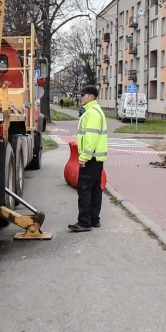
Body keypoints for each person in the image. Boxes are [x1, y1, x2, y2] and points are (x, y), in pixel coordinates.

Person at [69, 84, 107, 232]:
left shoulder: (92, 113)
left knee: (84, 189)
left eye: (83, 95)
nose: (81, 97)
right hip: (96, 159)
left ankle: (84, 222)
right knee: (95, 189)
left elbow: (91, 138)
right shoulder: (95, 111)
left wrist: (84, 157)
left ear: (91, 96)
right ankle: (94, 219)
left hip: (90, 158)